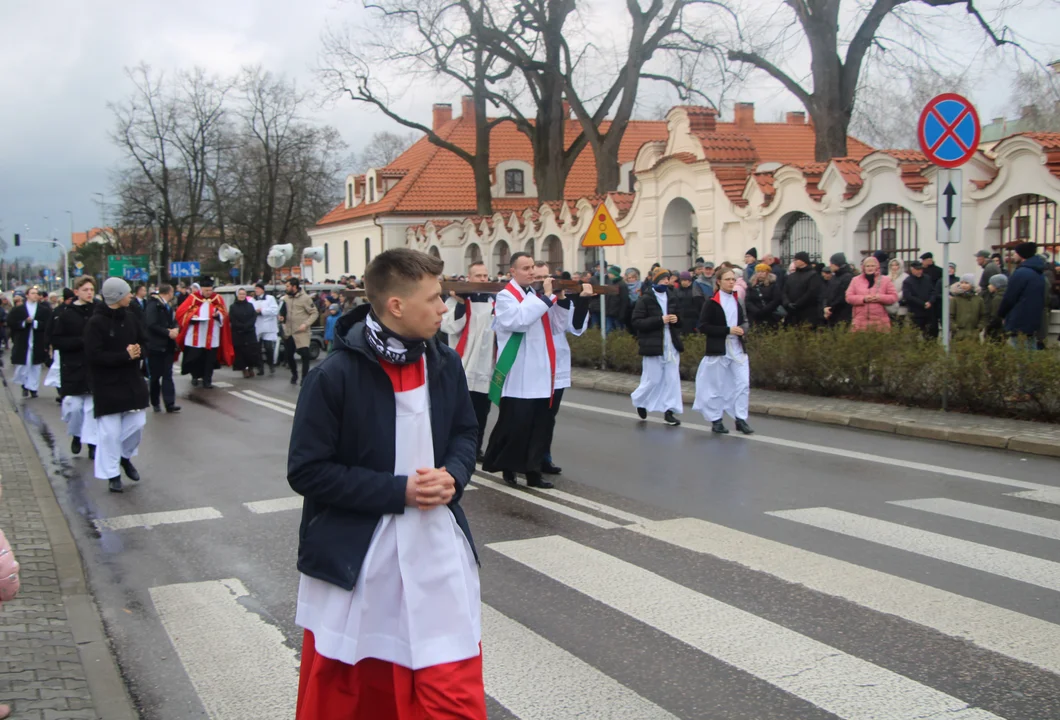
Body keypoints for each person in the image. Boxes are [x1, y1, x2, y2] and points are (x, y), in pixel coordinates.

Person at [289, 248, 484, 719]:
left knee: (451, 686)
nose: (445, 308)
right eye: (435, 298)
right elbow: (307, 471)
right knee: (361, 691)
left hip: (436, 544)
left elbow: (465, 431)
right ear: (396, 305)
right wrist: (399, 492)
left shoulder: (442, 362)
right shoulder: (334, 376)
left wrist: (454, 475)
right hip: (363, 557)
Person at [482, 252, 570, 489]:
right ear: (512, 271)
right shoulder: (505, 297)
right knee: (516, 425)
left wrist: (560, 301)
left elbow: (558, 326)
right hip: (519, 372)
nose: (530, 272)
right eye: (525, 268)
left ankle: (533, 471)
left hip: (542, 370)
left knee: (539, 425)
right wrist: (546, 299)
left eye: (532, 267)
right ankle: (509, 467)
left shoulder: (537, 296)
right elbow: (518, 321)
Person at [84, 278, 150, 494]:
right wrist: (124, 355)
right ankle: (112, 474)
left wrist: (139, 351)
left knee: (138, 423)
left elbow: (143, 341)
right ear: (116, 296)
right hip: (107, 385)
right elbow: (94, 356)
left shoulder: (131, 317)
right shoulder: (95, 322)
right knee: (109, 433)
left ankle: (124, 456)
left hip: (131, 381)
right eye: (127, 293)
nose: (131, 296)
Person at [534, 262, 593, 475]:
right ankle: (526, 456)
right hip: (535, 364)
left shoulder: (561, 301)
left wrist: (584, 300)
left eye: (547, 276)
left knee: (549, 415)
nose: (545, 281)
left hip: (556, 364)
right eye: (539, 277)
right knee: (532, 415)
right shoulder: (528, 299)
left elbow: (575, 327)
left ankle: (544, 456)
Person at [441, 261, 495, 463]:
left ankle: (476, 448)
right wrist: (462, 304)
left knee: (482, 412)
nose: (483, 279)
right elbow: (450, 327)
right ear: (469, 278)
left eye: (485, 276)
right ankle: (455, 449)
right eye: (478, 276)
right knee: (461, 413)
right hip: (464, 365)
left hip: (486, 366)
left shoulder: (493, 301)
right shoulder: (456, 300)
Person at [693, 267, 753, 435]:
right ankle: (716, 419)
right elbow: (703, 327)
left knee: (742, 384)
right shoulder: (712, 302)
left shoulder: (738, 300)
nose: (731, 282)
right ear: (719, 281)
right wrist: (727, 330)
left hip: (738, 349)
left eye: (733, 279)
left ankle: (741, 419)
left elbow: (745, 321)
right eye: (727, 279)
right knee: (716, 386)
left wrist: (742, 329)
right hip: (719, 349)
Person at [49, 277, 99, 456]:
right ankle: (77, 435)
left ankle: (92, 444)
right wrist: (80, 342)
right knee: (75, 407)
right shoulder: (66, 314)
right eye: (85, 289)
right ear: (77, 291)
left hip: (95, 368)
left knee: (93, 408)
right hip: (74, 368)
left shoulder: (99, 310)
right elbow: (57, 340)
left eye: (91, 289)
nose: (89, 292)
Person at [630, 268, 683, 426]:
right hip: (653, 344)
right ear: (655, 280)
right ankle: (640, 400)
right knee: (652, 379)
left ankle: (669, 411)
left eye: (668, 279)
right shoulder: (646, 299)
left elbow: (682, 321)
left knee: (672, 379)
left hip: (671, 344)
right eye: (662, 279)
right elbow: (637, 322)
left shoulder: (672, 297)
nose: (666, 281)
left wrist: (676, 320)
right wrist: (660, 320)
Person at [176, 277, 234, 389]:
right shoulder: (193, 298)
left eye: (210, 290)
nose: (209, 292)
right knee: (195, 358)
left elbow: (224, 314)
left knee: (209, 360)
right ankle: (195, 376)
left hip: (212, 335)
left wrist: (218, 315)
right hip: (195, 335)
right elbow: (181, 312)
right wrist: (191, 318)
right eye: (207, 290)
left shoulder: (217, 298)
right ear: (201, 289)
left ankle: (207, 380)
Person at [998, 241, 1046, 350]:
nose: (1014, 255)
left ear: (1022, 255)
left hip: (1019, 320)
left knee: (1019, 357)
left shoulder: (1021, 273)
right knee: (1030, 355)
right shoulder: (1038, 273)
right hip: (1033, 321)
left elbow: (1010, 297)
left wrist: (1001, 313)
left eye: (1015, 253)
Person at [8, 286, 52, 398]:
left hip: (37, 341)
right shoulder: (19, 310)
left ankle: (33, 388)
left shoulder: (43, 310)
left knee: (36, 366)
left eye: (37, 293)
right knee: (23, 366)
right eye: (32, 293)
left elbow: (48, 325)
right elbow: (12, 323)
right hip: (23, 342)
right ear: (27, 295)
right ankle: (24, 385)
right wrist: (24, 323)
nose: (35, 295)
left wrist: (35, 323)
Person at [144, 284, 181, 413]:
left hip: (168, 346)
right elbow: (151, 324)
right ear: (169, 293)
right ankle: (155, 402)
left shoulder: (167, 306)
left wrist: (176, 328)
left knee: (168, 375)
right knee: (155, 377)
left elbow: (173, 320)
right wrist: (167, 332)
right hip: (155, 347)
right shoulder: (153, 305)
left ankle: (169, 403)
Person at [281, 278, 319, 386]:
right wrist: (281, 317)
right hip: (289, 331)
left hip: (302, 331)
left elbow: (314, 313)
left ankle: (305, 378)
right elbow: (283, 312)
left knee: (305, 355)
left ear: (294, 287)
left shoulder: (305, 298)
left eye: (288, 286)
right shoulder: (286, 299)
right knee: (289, 355)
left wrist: (306, 324)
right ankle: (294, 374)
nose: (286, 288)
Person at [846, 256, 898, 333]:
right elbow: (849, 297)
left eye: (872, 266)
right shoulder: (855, 280)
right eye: (867, 266)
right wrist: (863, 299)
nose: (870, 268)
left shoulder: (885, 280)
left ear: (877, 267)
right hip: (860, 322)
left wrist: (880, 298)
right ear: (863, 267)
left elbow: (893, 297)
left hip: (880, 322)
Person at [782, 252, 823, 326]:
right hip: (791, 313)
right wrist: (787, 303)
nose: (794, 261)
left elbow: (811, 293)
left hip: (806, 312)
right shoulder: (791, 276)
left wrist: (797, 304)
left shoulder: (813, 275)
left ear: (803, 261)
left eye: (796, 259)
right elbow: (784, 291)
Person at [230, 288, 261, 379]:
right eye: (240, 294)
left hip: (250, 332)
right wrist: (242, 326)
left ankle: (251, 367)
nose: (242, 296)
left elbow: (253, 317)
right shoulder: (233, 306)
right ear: (237, 295)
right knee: (241, 352)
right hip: (238, 332)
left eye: (243, 294)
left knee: (251, 351)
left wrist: (248, 326)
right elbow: (233, 319)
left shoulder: (250, 305)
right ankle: (244, 369)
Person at [251, 282, 281, 375]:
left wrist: (262, 311)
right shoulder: (252, 300)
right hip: (258, 326)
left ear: (262, 290)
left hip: (268, 326)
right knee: (257, 349)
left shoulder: (270, 298)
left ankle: (271, 365)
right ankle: (260, 368)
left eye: (258, 289)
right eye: (255, 289)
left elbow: (275, 310)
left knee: (268, 348)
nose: (256, 291)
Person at [903, 261, 938, 339]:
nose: (919, 271)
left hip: (929, 312)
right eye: (917, 269)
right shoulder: (908, 281)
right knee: (914, 334)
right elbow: (908, 296)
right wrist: (923, 304)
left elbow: (933, 291)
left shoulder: (927, 278)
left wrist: (930, 301)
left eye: (920, 269)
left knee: (929, 334)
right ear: (912, 269)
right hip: (916, 312)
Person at [950, 273, 986, 342]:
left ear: (971, 284)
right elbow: (950, 315)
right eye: (962, 283)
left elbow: (983, 315)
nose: (964, 285)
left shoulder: (978, 299)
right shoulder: (955, 299)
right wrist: (954, 327)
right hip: (958, 335)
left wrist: (980, 327)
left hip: (973, 334)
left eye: (966, 283)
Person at [745, 262, 782, 327]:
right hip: (755, 316)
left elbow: (776, 300)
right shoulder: (751, 286)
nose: (760, 274)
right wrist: (756, 311)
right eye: (758, 272)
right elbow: (748, 301)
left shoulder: (773, 285)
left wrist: (765, 310)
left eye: (762, 272)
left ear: (767, 273)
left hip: (770, 316)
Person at [823, 253, 855, 326]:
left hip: (842, 314)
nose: (830, 265)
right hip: (831, 314)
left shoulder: (848, 277)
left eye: (832, 263)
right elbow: (827, 294)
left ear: (837, 264)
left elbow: (842, 296)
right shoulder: (834, 277)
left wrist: (830, 309)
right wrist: (825, 307)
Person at [984, 274, 1008, 342]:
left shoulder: (997, 299)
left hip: (996, 332)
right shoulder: (1005, 296)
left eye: (991, 284)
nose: (988, 286)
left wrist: (988, 328)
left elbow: (995, 316)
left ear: (997, 285)